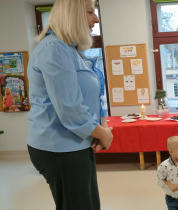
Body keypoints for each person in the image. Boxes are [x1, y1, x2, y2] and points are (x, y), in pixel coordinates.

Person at [26, 0, 113, 210]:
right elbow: (69, 107)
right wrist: (102, 133)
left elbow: (86, 97)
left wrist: (96, 131)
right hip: (61, 148)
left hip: (77, 143)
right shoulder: (55, 48)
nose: (96, 19)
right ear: (72, 14)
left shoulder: (70, 49)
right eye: (90, 12)